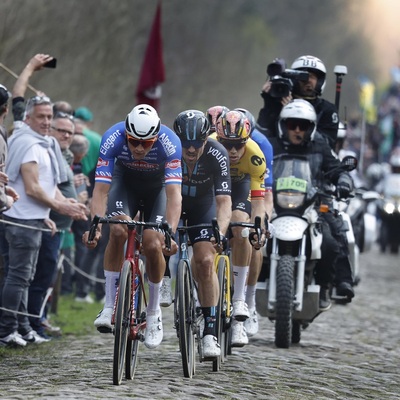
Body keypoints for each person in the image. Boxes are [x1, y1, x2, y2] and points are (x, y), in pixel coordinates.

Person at [82, 104, 182, 350]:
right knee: (117, 230)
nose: (139, 148)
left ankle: (153, 312)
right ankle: (108, 306)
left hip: (156, 189)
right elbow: (100, 191)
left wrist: (169, 231)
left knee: (152, 242)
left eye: (146, 143)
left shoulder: (170, 143)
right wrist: (95, 226)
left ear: (156, 137)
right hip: (124, 183)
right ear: (126, 134)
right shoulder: (112, 138)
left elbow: (174, 195)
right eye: (134, 141)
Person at [257, 55, 354, 299]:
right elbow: (261, 141)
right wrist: (271, 103)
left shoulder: (323, 124)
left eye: (302, 125)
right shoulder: (276, 131)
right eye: (292, 124)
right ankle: (244, 282)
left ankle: (333, 283)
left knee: (333, 233)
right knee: (250, 227)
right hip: (278, 190)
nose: (297, 129)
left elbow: (330, 155)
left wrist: (342, 180)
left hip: (314, 189)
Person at [0, 94, 87, 347]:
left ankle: (24, 326)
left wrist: (58, 207)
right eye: (41, 116)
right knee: (18, 277)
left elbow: (49, 185)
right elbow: (33, 189)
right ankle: (7, 330)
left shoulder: (41, 142)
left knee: (24, 278)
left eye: (49, 116)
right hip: (21, 222)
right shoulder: (28, 143)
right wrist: (61, 206)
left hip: (33, 219)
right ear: (28, 117)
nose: (47, 121)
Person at [173, 109, 231, 359]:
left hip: (203, 208)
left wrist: (220, 231)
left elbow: (224, 201)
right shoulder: (168, 149)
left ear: (206, 140)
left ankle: (210, 331)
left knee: (206, 261)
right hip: (172, 203)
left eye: (198, 143)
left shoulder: (218, 153)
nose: (191, 150)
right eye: (186, 144)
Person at [213, 110, 268, 347]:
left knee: (241, 225)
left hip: (241, 187)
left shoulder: (255, 155)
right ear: (219, 139)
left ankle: (239, 302)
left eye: (238, 145)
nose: (233, 152)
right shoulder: (211, 147)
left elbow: (258, 202)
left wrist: (258, 227)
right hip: (215, 186)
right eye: (227, 144)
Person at [27, 111, 78, 338]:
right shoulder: (40, 150)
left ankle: (39, 320)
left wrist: (71, 200)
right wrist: (61, 205)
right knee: (36, 276)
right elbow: (38, 186)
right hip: (42, 223)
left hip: (58, 227)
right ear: (51, 129)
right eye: (62, 130)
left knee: (47, 277)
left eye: (70, 132)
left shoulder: (62, 154)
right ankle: (30, 324)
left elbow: (55, 186)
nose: (66, 135)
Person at [234, 107, 274, 337]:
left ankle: (249, 300)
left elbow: (265, 192)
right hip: (222, 188)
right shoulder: (214, 142)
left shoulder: (260, 146)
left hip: (251, 188)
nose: (232, 149)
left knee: (253, 235)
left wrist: (263, 220)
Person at [257, 55, 339, 149]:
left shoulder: (327, 109)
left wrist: (295, 113)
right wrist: (270, 104)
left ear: (320, 81)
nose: (307, 80)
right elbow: (262, 136)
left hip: (313, 160)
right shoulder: (279, 102)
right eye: (303, 76)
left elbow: (328, 143)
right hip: (280, 158)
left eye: (312, 76)